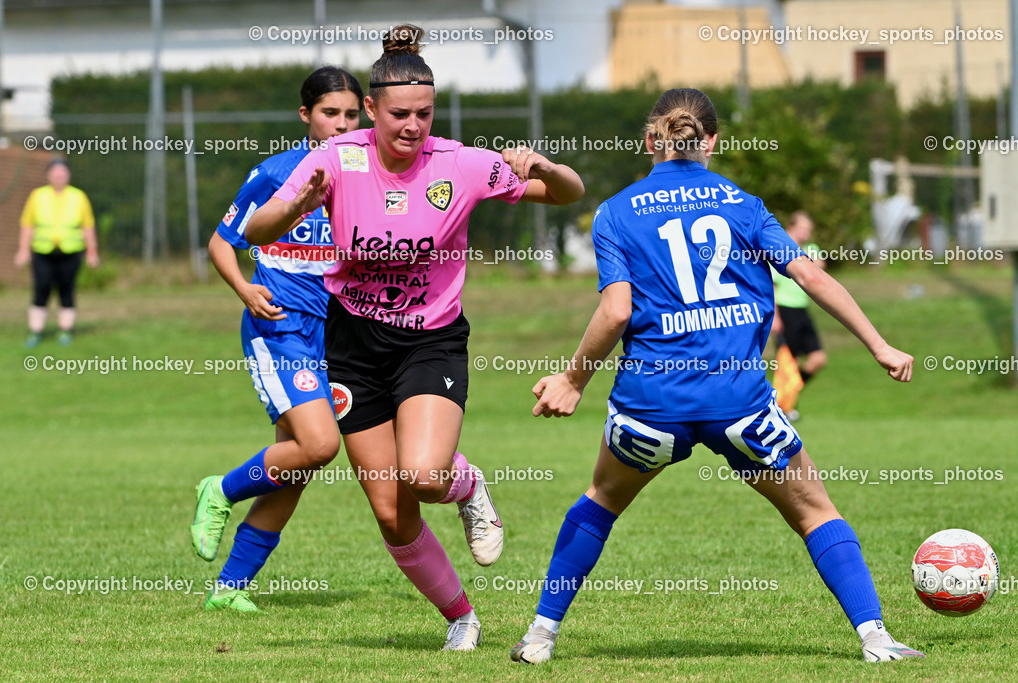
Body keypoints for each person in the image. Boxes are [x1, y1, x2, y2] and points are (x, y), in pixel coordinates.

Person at [510, 88, 924, 665]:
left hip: (651, 407)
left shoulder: (616, 212)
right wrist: (878, 344)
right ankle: (876, 639)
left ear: (650, 140)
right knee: (815, 512)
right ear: (712, 141)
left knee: (601, 502)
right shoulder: (744, 205)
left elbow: (616, 311)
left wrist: (574, 379)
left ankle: (540, 636)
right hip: (739, 404)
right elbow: (810, 277)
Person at [240, 25, 584, 650]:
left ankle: (468, 485)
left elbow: (567, 193)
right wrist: (292, 208)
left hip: (431, 341)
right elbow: (256, 231)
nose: (413, 126)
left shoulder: (460, 163)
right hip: (353, 343)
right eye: (400, 114)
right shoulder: (335, 159)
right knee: (392, 511)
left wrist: (545, 167)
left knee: (423, 476)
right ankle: (461, 618)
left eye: (424, 113)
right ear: (371, 109)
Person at [189, 66, 363, 612]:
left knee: (298, 466)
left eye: (351, 114)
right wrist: (244, 289)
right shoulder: (276, 173)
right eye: (330, 113)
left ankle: (230, 587)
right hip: (280, 327)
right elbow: (222, 242)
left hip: (337, 334)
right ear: (306, 115)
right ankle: (220, 489)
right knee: (319, 446)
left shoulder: (369, 177)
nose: (341, 124)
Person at [14, 158, 100, 347]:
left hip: (70, 252)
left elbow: (88, 226)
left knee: (66, 289)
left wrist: (92, 252)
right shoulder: (37, 196)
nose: (59, 176)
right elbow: (27, 225)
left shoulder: (78, 197)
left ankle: (65, 330)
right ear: (48, 175)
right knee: (41, 287)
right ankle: (36, 331)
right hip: (42, 251)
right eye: (56, 172)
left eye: (63, 172)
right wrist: (23, 250)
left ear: (68, 175)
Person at [771, 211, 826, 420]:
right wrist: (775, 317)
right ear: (791, 226)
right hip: (784, 309)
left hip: (802, 310)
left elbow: (820, 266)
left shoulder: (810, 249)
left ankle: (787, 396)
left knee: (818, 358)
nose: (806, 232)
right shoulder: (779, 248)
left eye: (809, 229)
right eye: (802, 227)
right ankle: (783, 406)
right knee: (788, 362)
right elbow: (772, 287)